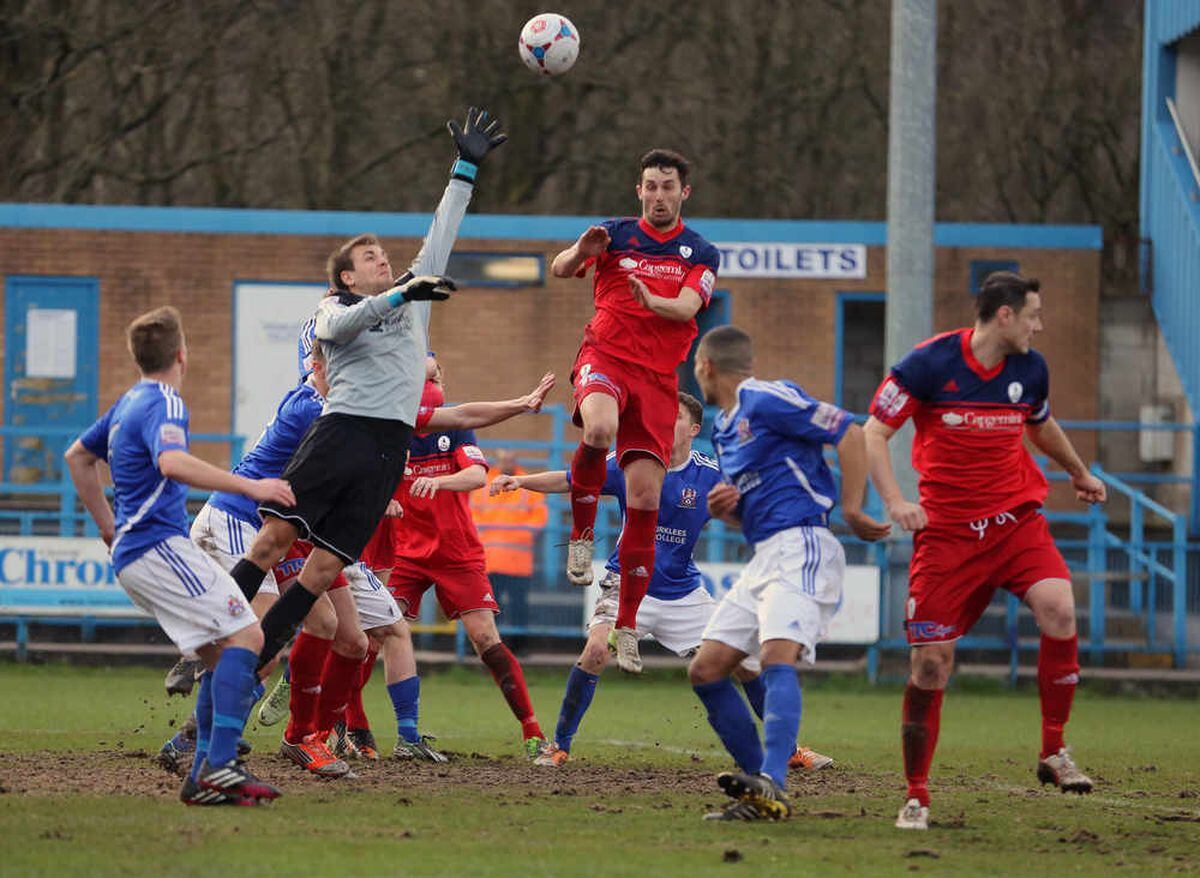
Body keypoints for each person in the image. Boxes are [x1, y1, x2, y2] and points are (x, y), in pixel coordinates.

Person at [221, 108, 506, 675]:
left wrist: (465, 168)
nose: (384, 261)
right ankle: (210, 630)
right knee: (274, 539)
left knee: (324, 570)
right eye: (369, 258)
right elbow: (335, 331)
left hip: (386, 451)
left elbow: (442, 231)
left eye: (384, 256)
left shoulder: (413, 294)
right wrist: (400, 296)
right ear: (348, 278)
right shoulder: (337, 307)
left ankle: (250, 664)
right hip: (342, 433)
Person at [863, 271, 1106, 831]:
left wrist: (1080, 474)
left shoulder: (1030, 369)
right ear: (1004, 316)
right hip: (947, 533)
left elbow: (1040, 427)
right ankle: (917, 794)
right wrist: (896, 500)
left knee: (1061, 609)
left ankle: (1053, 751)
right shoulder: (927, 364)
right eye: (1033, 316)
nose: (1038, 327)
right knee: (930, 663)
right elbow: (874, 432)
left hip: (1015, 523)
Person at [490, 392, 834, 772]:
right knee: (595, 653)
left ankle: (788, 750)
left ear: (694, 429)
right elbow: (573, 479)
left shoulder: (709, 474)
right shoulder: (632, 461)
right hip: (624, 583)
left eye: (675, 417)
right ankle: (559, 746)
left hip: (682, 593)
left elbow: (748, 510)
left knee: (744, 662)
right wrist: (519, 483)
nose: (664, 422)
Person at [64, 306, 295, 806]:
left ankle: (200, 781)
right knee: (249, 635)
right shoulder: (166, 399)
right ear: (181, 355)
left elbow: (78, 457)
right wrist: (252, 485)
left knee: (222, 656)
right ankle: (222, 765)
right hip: (158, 545)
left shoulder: (127, 402)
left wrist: (108, 529)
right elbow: (172, 461)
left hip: (135, 552)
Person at [686, 325, 889, 822]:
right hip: (764, 556)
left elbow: (849, 429)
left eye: (696, 367)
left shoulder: (763, 396)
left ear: (707, 367)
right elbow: (751, 507)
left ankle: (773, 782)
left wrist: (855, 508)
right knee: (707, 669)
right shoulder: (725, 429)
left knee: (778, 655)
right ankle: (760, 786)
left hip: (803, 544)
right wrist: (727, 508)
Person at [550, 148, 720, 674]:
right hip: (604, 357)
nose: (659, 195)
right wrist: (583, 248)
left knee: (645, 497)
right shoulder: (614, 234)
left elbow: (689, 308)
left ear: (683, 192)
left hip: (656, 379)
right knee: (599, 429)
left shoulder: (700, 253)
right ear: (639, 189)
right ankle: (581, 536)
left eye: (668, 186)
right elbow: (559, 269)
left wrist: (654, 304)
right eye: (650, 186)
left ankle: (627, 624)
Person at [377, 359, 552, 758]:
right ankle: (356, 730)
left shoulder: (454, 428)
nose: (434, 383)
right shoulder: (389, 429)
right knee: (374, 634)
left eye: (437, 376)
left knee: (485, 637)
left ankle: (532, 733)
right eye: (426, 378)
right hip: (404, 552)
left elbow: (476, 476)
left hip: (456, 551)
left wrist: (437, 481)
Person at [470, 449, 549, 652]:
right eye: (504, 459)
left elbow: (539, 518)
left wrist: (500, 535)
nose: (507, 462)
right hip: (496, 559)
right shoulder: (488, 483)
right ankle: (492, 645)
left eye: (510, 459)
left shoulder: (525, 484)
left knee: (514, 607)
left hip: (511, 560)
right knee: (492, 607)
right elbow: (472, 515)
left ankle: (511, 646)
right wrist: (513, 534)